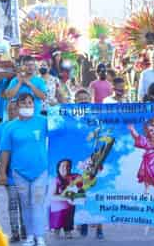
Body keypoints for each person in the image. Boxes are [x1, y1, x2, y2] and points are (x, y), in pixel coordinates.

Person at [0, 93, 48, 246]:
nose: (27, 106)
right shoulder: (10, 127)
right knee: (25, 204)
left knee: (37, 203)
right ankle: (30, 236)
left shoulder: (44, 122)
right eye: (24, 103)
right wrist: (2, 172)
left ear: (34, 105)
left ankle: (39, 237)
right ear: (17, 106)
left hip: (40, 170)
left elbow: (61, 130)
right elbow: (5, 150)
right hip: (19, 172)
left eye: (30, 103)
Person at [0, 100, 26, 243]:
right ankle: (16, 233)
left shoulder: (27, 125)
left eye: (15, 109)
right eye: (10, 109)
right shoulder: (1, 128)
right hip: (8, 172)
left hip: (27, 172)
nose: (12, 111)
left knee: (25, 204)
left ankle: (26, 232)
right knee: (13, 203)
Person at [73, 89, 104, 239]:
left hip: (96, 160)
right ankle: (83, 223)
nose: (83, 101)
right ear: (75, 102)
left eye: (86, 99)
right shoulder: (71, 118)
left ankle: (99, 228)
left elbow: (106, 133)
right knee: (82, 192)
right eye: (80, 100)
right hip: (79, 161)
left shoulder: (98, 117)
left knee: (97, 193)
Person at [49, 159, 81, 239]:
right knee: (57, 216)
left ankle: (68, 230)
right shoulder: (56, 180)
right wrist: (65, 197)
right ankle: (56, 230)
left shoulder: (75, 177)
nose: (66, 168)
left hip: (69, 205)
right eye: (63, 166)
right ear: (58, 168)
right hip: (58, 205)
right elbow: (52, 196)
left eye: (68, 166)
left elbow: (83, 179)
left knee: (69, 217)